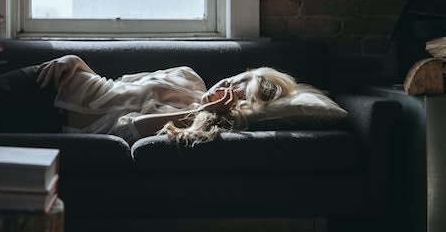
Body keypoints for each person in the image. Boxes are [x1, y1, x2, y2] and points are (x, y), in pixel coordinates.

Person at [34, 55, 297, 146]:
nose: (220, 90)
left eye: (230, 96)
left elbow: (129, 129)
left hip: (48, 127)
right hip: (53, 82)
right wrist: (76, 62)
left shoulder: (197, 124)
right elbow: (116, 85)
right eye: (227, 82)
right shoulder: (188, 76)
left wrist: (204, 112)